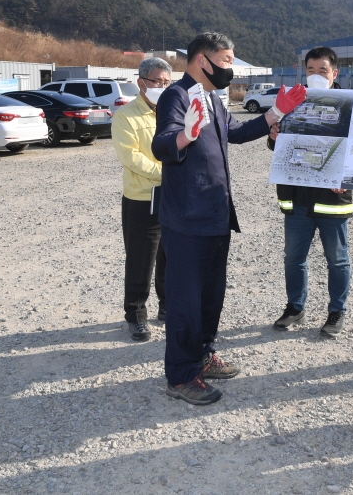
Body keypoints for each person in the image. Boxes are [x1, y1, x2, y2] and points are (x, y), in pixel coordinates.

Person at [152, 32, 306, 405]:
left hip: (216, 214)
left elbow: (235, 133)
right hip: (187, 218)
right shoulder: (177, 95)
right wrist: (184, 136)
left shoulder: (214, 98)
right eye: (225, 61)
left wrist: (275, 113)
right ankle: (181, 375)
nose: (230, 68)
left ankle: (203, 355)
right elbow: (161, 145)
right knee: (185, 301)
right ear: (202, 60)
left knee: (210, 296)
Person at [269, 46, 353, 338]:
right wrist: (274, 136)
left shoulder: (350, 106)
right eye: (311, 70)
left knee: (337, 259)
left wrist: (349, 176)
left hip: (332, 199)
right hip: (296, 197)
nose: (316, 75)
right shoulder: (293, 102)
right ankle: (295, 307)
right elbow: (277, 147)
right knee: (293, 257)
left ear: (335, 73)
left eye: (323, 70)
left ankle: (336, 311)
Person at [112, 57, 173, 342]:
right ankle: (135, 315)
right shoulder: (126, 116)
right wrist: (166, 173)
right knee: (141, 259)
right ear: (141, 83)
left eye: (166, 82)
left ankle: (166, 306)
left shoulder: (173, 112)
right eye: (156, 81)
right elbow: (131, 157)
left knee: (169, 256)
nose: (161, 86)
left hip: (171, 198)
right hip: (141, 198)